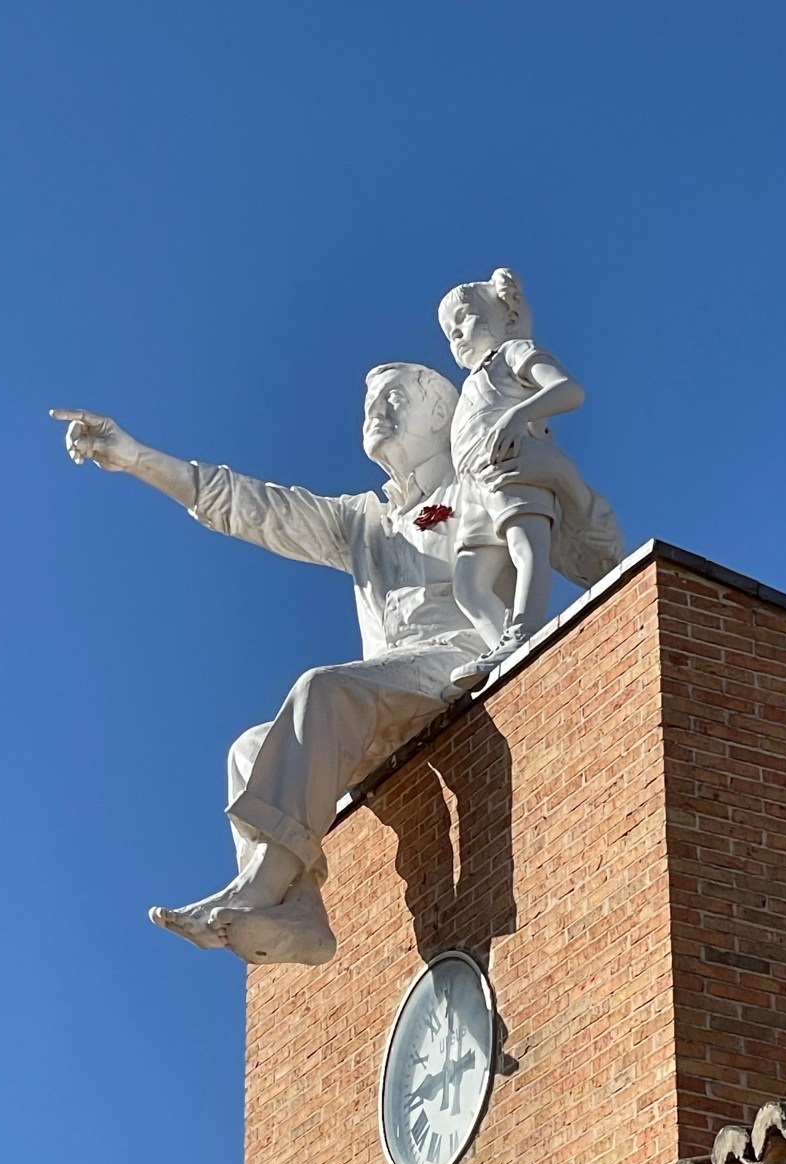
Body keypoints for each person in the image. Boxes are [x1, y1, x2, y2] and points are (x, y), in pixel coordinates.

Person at [51, 364, 601, 967]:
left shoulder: (476, 483)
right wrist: (136, 458)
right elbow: (253, 507)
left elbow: (548, 529)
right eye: (369, 398)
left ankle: (259, 887)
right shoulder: (362, 519)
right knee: (248, 751)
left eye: (395, 397)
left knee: (323, 688)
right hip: (384, 694)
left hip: (461, 661)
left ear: (443, 415)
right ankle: (299, 909)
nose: (375, 408)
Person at [437, 268, 610, 691]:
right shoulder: (471, 384)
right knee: (468, 585)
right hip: (476, 486)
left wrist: (519, 414)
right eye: (449, 331)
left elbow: (569, 391)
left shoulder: (513, 353)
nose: (457, 333)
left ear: (505, 318)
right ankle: (506, 654)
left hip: (515, 467)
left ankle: (523, 635)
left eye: (465, 318)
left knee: (525, 547)